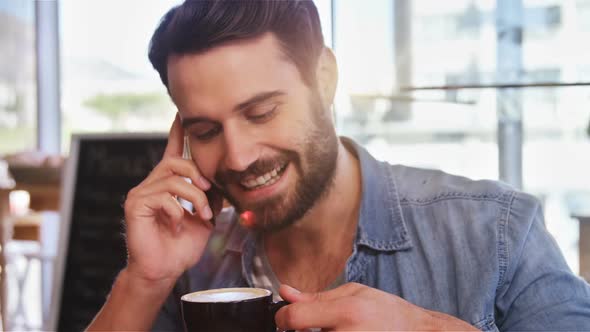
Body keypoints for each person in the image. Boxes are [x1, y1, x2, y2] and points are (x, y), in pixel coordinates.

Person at [88, 1, 590, 331]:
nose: (238, 157)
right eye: (206, 131)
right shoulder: (191, 266)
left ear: (324, 78)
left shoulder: (495, 231)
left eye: (261, 112)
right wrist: (145, 281)